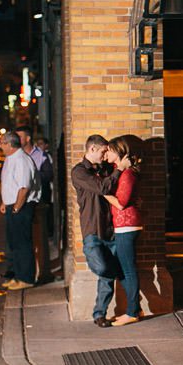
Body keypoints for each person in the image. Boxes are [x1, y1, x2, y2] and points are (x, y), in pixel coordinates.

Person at [71, 134, 125, 328]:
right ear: (92, 149)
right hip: (92, 230)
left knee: (107, 275)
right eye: (103, 151)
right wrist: (119, 170)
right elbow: (102, 187)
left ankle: (99, 314)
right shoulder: (79, 172)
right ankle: (102, 310)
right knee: (104, 269)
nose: (104, 155)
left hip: (111, 229)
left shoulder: (106, 169)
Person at [103, 136, 144, 326]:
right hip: (122, 226)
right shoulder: (119, 172)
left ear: (120, 152)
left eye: (110, 150)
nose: (106, 154)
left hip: (127, 226)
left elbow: (121, 203)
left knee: (128, 270)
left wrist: (102, 192)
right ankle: (136, 307)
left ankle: (132, 312)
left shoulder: (127, 174)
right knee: (123, 269)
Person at [0, 131, 41, 290]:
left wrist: (16, 206)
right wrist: (5, 202)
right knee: (14, 243)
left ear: (10, 145)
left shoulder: (22, 160)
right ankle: (16, 275)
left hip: (22, 206)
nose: (0, 145)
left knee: (22, 243)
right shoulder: (10, 159)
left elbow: (24, 187)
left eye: (2, 143)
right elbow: (10, 183)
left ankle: (26, 278)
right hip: (13, 205)